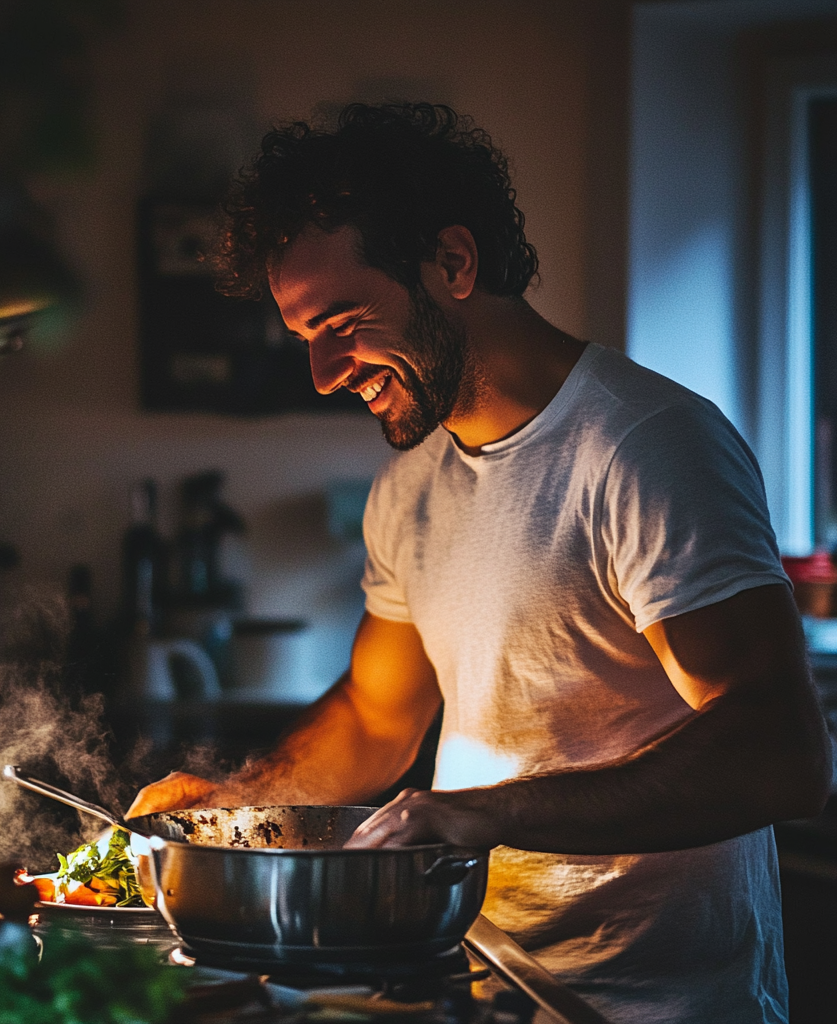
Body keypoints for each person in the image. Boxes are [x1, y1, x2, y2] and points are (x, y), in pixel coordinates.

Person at [128, 103, 831, 1023]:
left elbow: (780, 751)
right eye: (306, 338)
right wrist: (232, 801)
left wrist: (487, 815)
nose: (325, 374)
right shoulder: (411, 485)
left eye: (343, 321)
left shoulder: (645, 448)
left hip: (659, 1005)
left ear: (453, 264)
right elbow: (378, 720)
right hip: (480, 987)